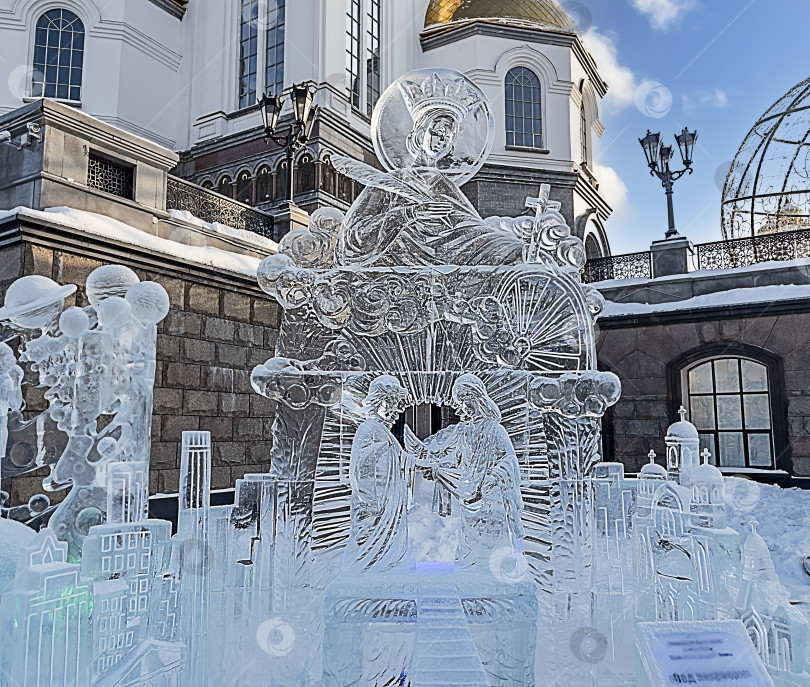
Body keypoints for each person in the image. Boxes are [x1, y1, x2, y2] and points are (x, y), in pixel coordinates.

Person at [335, 71, 525, 268]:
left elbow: (472, 230)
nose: (441, 141)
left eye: (448, 137)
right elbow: (354, 237)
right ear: (420, 131)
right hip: (400, 266)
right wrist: (410, 214)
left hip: (444, 264)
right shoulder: (391, 183)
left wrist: (510, 239)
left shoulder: (444, 185)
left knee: (510, 248)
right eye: (436, 132)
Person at [410, 374, 524, 568]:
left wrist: (494, 477)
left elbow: (509, 460)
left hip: (490, 497)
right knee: (469, 545)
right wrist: (434, 468)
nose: (462, 407)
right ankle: (471, 568)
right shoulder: (463, 431)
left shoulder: (495, 430)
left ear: (477, 398)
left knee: (492, 546)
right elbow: (450, 458)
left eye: (465, 400)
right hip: (469, 495)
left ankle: (495, 569)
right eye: (460, 402)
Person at [344, 375, 412, 572]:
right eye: (389, 401)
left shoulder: (382, 431)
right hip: (374, 509)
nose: (395, 409)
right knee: (370, 553)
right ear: (376, 400)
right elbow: (360, 470)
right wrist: (372, 505)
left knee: (385, 555)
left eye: (396, 403)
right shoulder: (368, 430)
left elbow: (404, 460)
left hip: (388, 506)